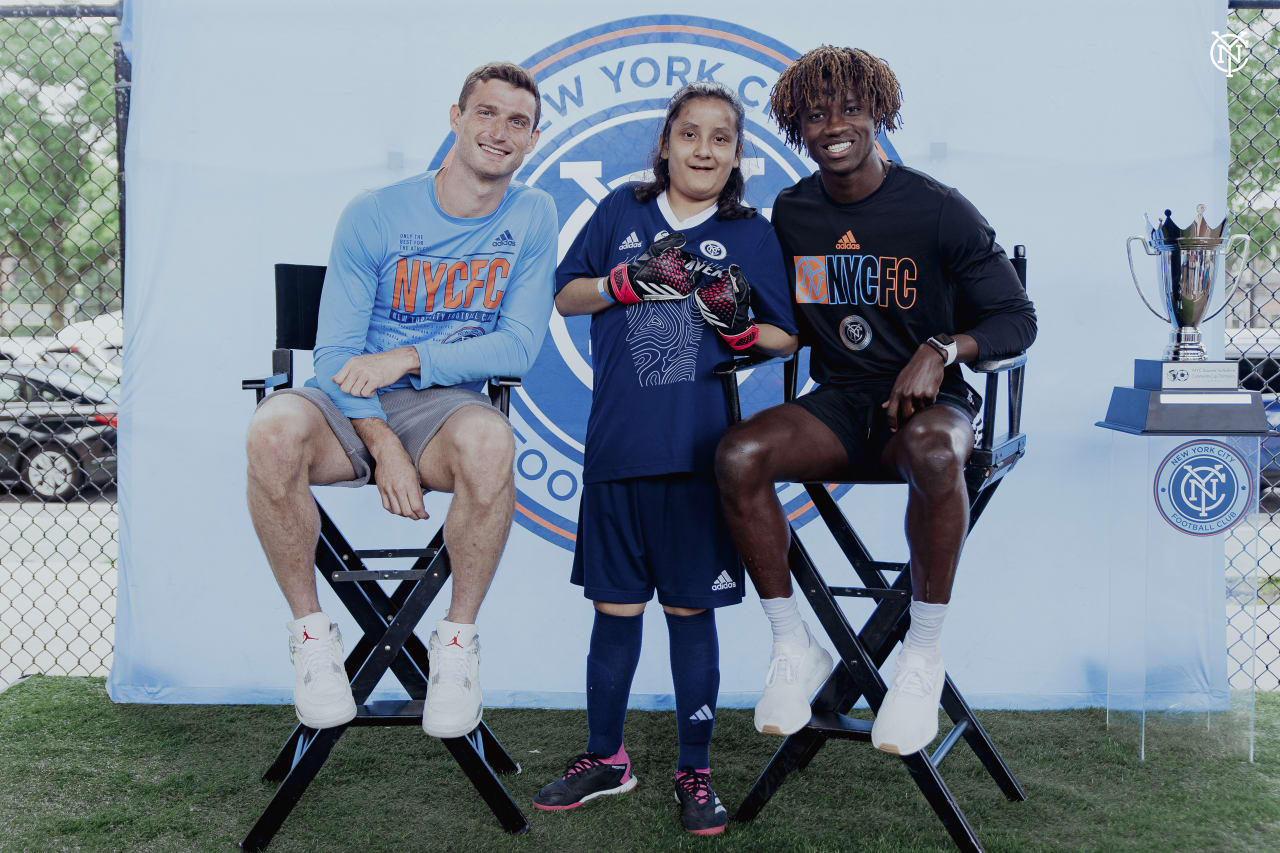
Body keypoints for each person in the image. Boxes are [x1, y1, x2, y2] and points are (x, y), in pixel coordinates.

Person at [716, 46, 1037, 755]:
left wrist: (943, 347)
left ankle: (920, 654)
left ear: (879, 116)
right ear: (797, 127)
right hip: (840, 402)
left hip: (931, 408)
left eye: (851, 109)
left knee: (931, 449)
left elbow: (1017, 321)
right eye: (816, 114)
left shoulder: (938, 209)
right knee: (737, 452)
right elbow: (790, 323)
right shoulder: (794, 213)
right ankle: (793, 643)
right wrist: (737, 324)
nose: (835, 124)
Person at [244, 62, 556, 739]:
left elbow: (519, 347)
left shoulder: (533, 214)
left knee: (493, 440)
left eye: (518, 121)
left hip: (442, 407)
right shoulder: (377, 213)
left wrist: (411, 356)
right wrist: (382, 444)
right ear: (455, 117)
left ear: (533, 139)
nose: (499, 131)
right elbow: (332, 358)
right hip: (348, 403)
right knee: (270, 429)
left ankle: (453, 648)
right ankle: (313, 640)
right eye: (486, 112)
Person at [531, 82, 798, 835]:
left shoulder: (751, 232)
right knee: (614, 609)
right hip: (617, 447)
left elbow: (787, 335)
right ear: (666, 143)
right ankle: (606, 757)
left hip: (698, 455)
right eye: (690, 135)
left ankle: (695, 766)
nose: (704, 149)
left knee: (690, 610)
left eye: (720, 137)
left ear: (737, 152)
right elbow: (565, 295)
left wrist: (741, 328)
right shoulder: (621, 210)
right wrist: (626, 281)